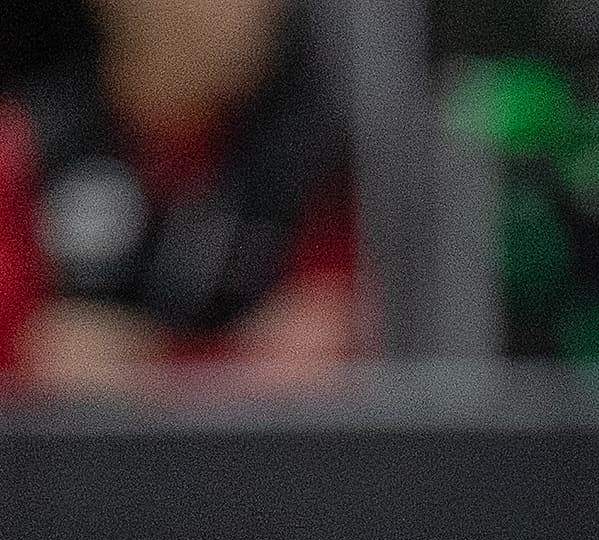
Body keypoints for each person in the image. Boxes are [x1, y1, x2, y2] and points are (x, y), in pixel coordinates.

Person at [0, 0, 360, 391]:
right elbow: (24, 351)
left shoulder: (316, 152)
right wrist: (235, 359)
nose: (252, 10)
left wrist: (142, 365)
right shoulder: (30, 144)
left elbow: (319, 357)